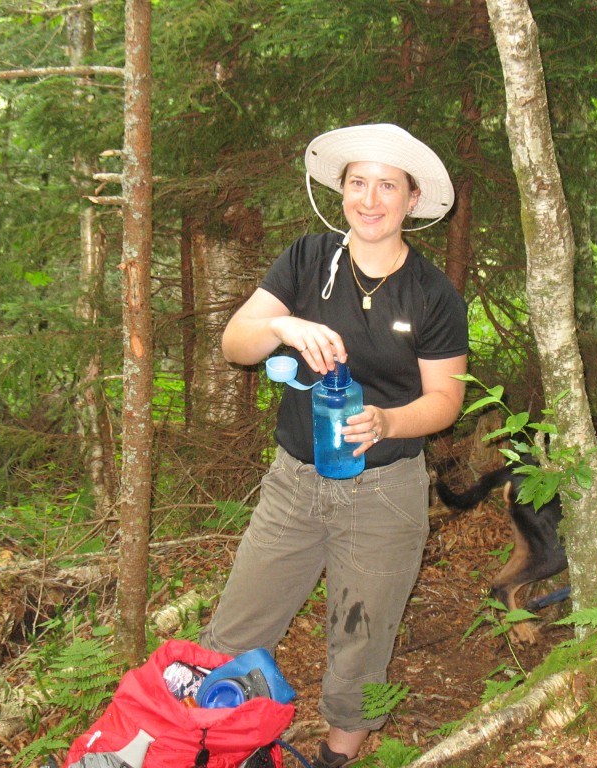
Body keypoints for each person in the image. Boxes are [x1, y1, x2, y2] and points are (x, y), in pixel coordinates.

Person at [199, 123, 469, 767]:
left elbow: (445, 400)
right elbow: (236, 344)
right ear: (340, 191)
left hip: (385, 491)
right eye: (357, 184)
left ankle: (339, 751)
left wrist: (386, 422)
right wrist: (283, 325)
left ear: (411, 199)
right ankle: (226, 740)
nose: (370, 200)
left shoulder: (433, 294)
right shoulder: (306, 260)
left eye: (387, 186)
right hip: (293, 483)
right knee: (237, 625)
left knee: (362, 632)